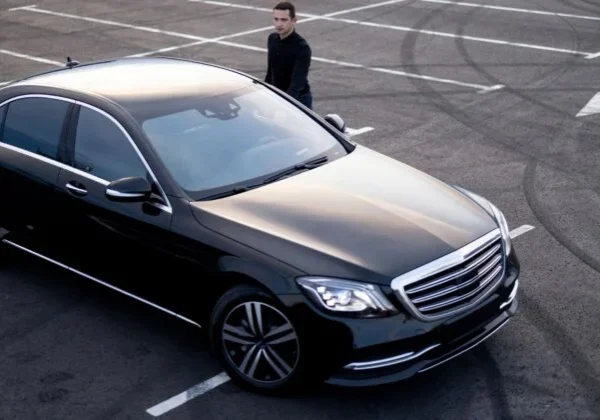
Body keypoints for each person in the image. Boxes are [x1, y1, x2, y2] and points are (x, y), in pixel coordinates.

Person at [264, 2, 313, 109]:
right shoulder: (272, 39)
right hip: (278, 96)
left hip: (298, 100)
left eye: (284, 20)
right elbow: (270, 72)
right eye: (276, 19)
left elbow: (297, 84)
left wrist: (285, 105)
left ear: (294, 21)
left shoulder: (302, 48)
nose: (279, 24)